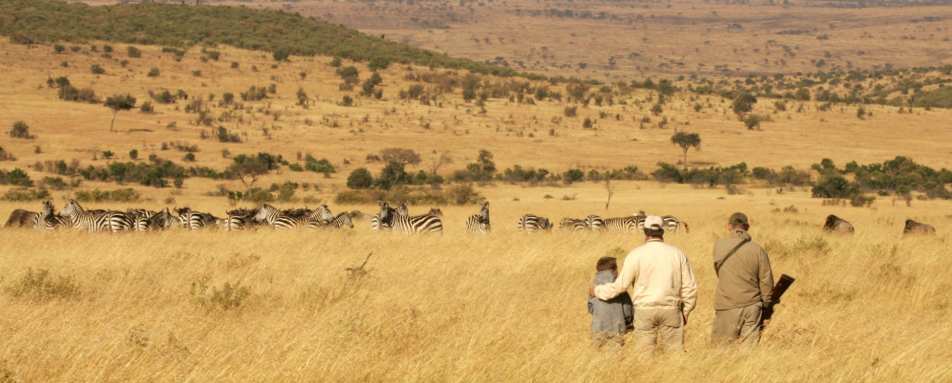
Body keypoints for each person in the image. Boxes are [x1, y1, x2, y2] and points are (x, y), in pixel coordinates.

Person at [592, 216, 698, 354]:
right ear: (662, 232)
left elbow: (620, 286)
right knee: (675, 355)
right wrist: (685, 312)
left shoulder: (635, 254)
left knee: (644, 356)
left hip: (644, 310)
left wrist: (597, 290)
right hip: (671, 309)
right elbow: (690, 288)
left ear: (645, 232)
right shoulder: (678, 254)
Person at [711, 212, 775, 346]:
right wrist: (767, 305)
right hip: (752, 305)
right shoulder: (758, 250)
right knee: (748, 351)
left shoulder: (719, 246)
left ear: (729, 226)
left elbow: (719, 272)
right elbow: (766, 281)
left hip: (726, 304)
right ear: (747, 227)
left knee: (721, 349)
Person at [588, 256, 633, 348]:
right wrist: (629, 323)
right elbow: (627, 310)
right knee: (615, 359)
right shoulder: (619, 289)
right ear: (614, 270)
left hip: (598, 329)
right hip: (617, 329)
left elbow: (591, 308)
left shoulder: (594, 286)